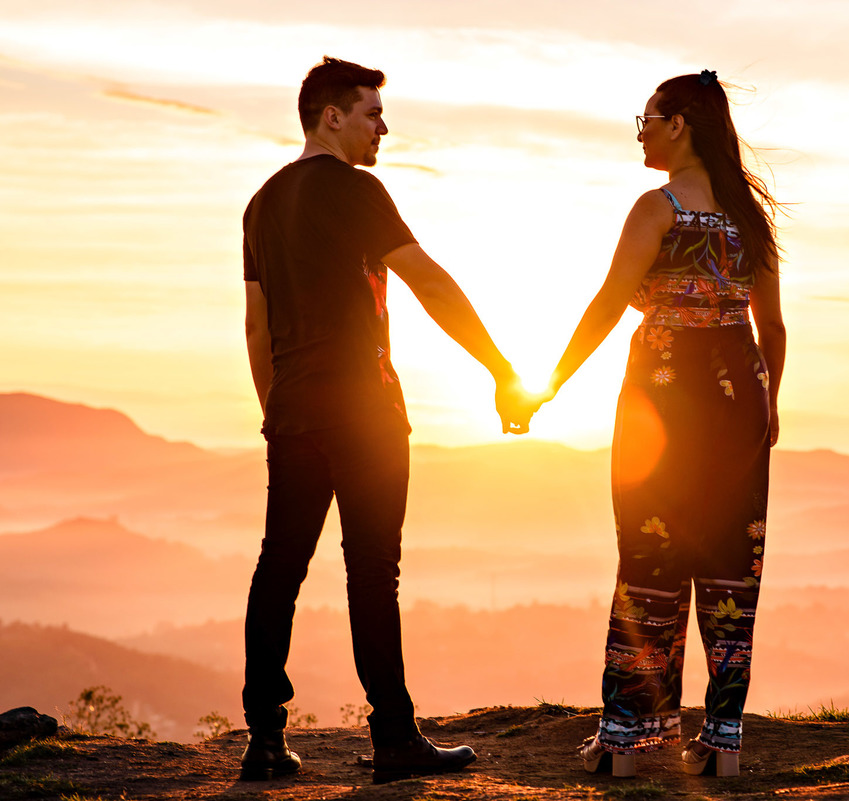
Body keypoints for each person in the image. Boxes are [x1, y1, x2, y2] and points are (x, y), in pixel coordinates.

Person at [239, 56, 530, 784]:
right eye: (372, 112)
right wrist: (500, 369)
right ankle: (394, 738)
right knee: (372, 573)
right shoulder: (358, 190)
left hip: (295, 409)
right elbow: (428, 281)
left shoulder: (261, 204)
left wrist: (276, 411)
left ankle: (265, 741)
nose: (383, 126)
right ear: (330, 115)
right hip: (365, 409)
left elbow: (255, 327)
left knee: (281, 566)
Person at [541, 69, 786, 778]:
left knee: (650, 560)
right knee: (732, 566)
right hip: (739, 395)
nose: (641, 131)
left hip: (663, 397)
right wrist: (767, 403)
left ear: (679, 122)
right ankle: (722, 743)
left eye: (646, 118)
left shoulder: (658, 208)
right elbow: (773, 329)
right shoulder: (749, 219)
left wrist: (547, 384)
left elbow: (608, 304)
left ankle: (629, 742)